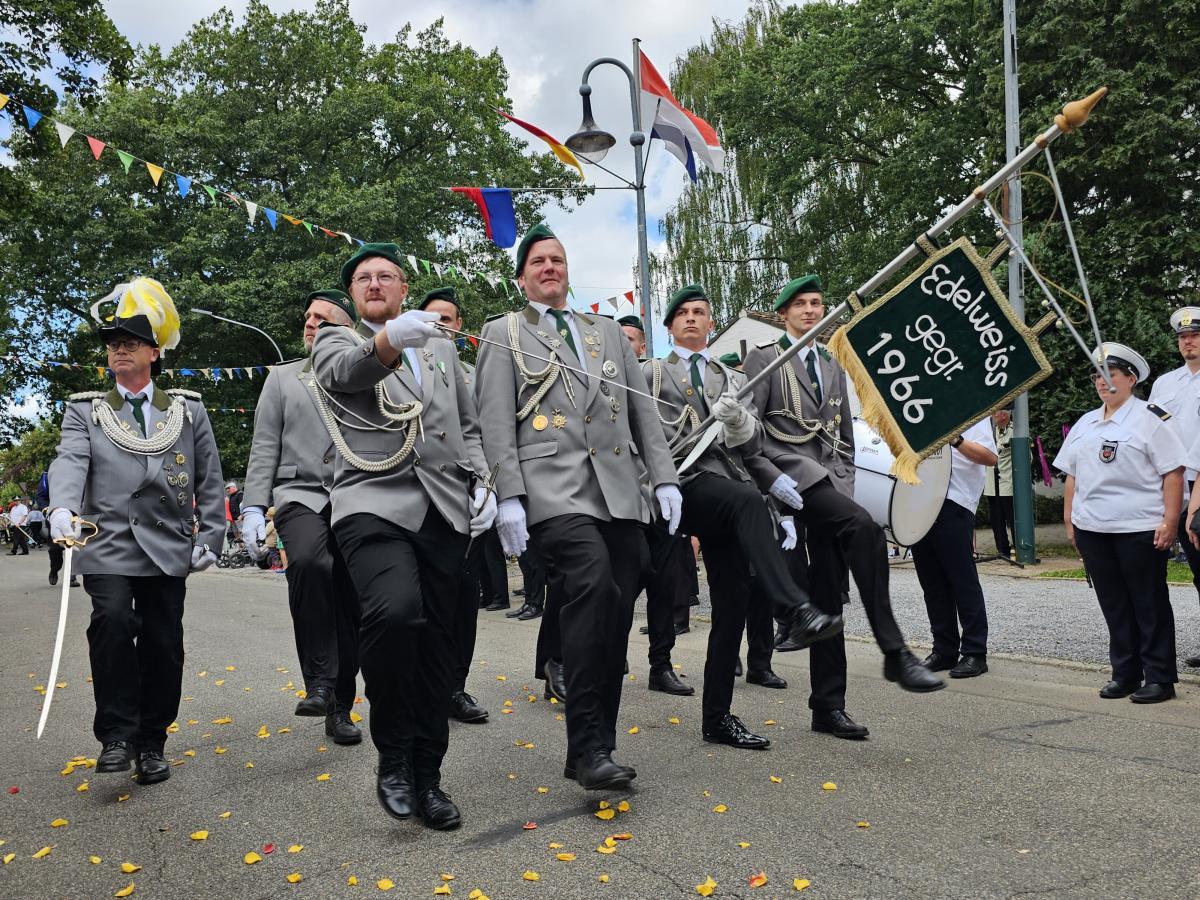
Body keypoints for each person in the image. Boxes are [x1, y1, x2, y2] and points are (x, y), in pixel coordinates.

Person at [475, 223, 681, 790]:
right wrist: (507, 495)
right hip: (551, 489)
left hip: (616, 489)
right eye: (538, 261)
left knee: (618, 603)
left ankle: (593, 746)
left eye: (557, 259)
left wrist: (663, 479)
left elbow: (642, 412)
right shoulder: (503, 333)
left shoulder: (606, 332)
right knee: (592, 583)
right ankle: (589, 746)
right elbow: (494, 423)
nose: (550, 267)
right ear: (521, 278)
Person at [312, 243, 496, 830]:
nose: (373, 283)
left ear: (402, 288)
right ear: (354, 295)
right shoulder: (337, 342)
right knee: (395, 615)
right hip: (371, 500)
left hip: (444, 507)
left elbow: (467, 423)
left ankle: (428, 774)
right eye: (362, 278)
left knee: (441, 647)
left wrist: (484, 481)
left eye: (385, 276)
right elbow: (350, 374)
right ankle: (392, 754)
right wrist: (394, 339)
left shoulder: (441, 347)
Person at [642, 284, 844, 749]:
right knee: (628, 586)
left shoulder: (730, 378)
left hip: (723, 488)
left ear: (711, 324)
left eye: (701, 312)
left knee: (731, 604)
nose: (692, 319)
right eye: (683, 313)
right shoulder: (649, 373)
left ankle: (717, 717)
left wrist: (738, 421)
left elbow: (750, 447)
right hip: (677, 485)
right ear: (670, 325)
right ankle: (793, 607)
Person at [744, 275, 945, 738]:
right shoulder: (764, 359)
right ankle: (895, 652)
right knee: (866, 529)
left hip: (830, 482)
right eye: (801, 305)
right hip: (790, 474)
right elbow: (748, 435)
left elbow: (845, 438)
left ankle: (827, 707)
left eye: (816, 303)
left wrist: (846, 485)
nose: (811, 311)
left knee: (829, 596)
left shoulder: (832, 363)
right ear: (784, 314)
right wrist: (771, 483)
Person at [47, 277, 223, 784]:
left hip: (168, 544)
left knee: (164, 642)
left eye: (129, 343)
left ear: (154, 352)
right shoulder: (87, 409)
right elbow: (70, 461)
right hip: (108, 542)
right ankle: (118, 736)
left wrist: (210, 538)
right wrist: (61, 508)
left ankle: (152, 740)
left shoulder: (187, 410)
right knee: (114, 623)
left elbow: (210, 479)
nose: (118, 351)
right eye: (113, 345)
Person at [241, 288, 362, 746]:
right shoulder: (282, 378)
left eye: (323, 319)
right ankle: (319, 680)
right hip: (300, 493)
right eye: (308, 316)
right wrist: (253, 505)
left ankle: (340, 707)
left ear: (346, 329)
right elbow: (264, 444)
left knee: (350, 602)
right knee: (311, 563)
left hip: (356, 494)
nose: (311, 324)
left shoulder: (367, 371)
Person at [1056, 343, 1183, 703]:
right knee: (1114, 604)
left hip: (1138, 528)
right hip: (1094, 528)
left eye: (1110, 374)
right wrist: (1071, 521)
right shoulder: (1086, 422)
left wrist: (1170, 521)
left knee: (1149, 603)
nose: (1102, 381)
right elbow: (1072, 475)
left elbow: (1173, 473)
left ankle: (1159, 677)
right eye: (1097, 374)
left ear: (1130, 379)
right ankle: (1125, 673)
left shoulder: (1151, 418)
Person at [417, 285, 492, 724]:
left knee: (464, 597)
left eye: (448, 319)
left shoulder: (474, 373)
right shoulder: (403, 365)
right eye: (432, 319)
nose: (441, 326)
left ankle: (455, 686)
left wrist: (488, 485)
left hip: (466, 493)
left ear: (459, 326)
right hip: (420, 495)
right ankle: (424, 681)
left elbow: (484, 430)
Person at [911, 417, 997, 678]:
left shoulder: (969, 412)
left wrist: (955, 439)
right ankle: (944, 649)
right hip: (917, 499)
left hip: (954, 500)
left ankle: (974, 652)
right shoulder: (915, 412)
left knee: (962, 580)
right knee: (932, 582)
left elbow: (990, 457)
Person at [1148, 306, 1200, 667]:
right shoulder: (1165, 384)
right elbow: (1151, 431)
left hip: (1199, 480)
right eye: (1183, 338)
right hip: (1173, 482)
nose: (1188, 342)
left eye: (1195, 336)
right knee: (1196, 568)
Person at [982, 408, 1015, 558]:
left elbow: (1026, 458)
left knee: (1013, 519)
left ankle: (1019, 548)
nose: (992, 416)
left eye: (994, 413)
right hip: (991, 484)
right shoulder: (989, 432)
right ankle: (1002, 550)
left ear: (1003, 414)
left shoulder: (1015, 431)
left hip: (1008, 484)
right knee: (996, 521)